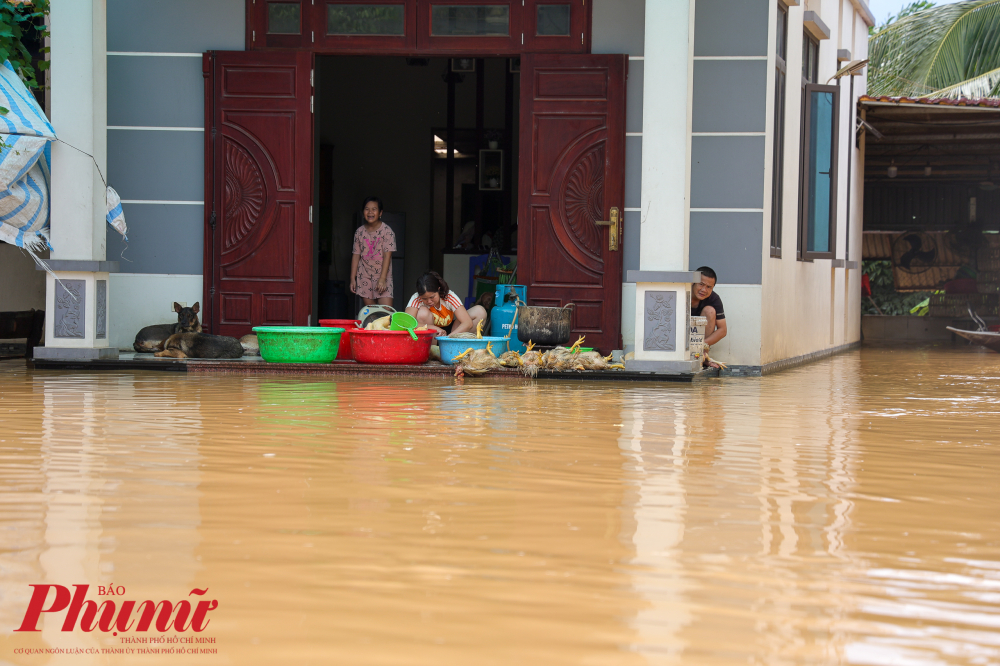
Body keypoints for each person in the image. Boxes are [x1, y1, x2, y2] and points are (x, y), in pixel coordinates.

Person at [405, 271, 487, 336]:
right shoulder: (416, 298)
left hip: (451, 332)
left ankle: (456, 346)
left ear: (438, 289)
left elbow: (467, 323)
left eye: (432, 297)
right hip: (431, 336)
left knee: (480, 311)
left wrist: (449, 338)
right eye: (424, 299)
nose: (429, 301)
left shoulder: (448, 296)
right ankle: (431, 350)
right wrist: (433, 328)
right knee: (423, 312)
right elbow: (406, 323)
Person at [350, 197, 396, 306]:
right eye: (367, 209)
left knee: (386, 313)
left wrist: (382, 279)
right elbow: (356, 256)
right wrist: (352, 278)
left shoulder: (387, 232)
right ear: (363, 212)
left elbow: (387, 256)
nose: (370, 212)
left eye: (374, 209)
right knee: (372, 314)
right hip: (364, 276)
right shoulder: (359, 232)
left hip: (383, 276)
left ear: (380, 212)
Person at [692, 265, 727, 348]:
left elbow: (722, 330)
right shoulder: (682, 293)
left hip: (700, 340)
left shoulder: (714, 299)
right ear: (693, 282)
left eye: (708, 287)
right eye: (701, 284)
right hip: (681, 335)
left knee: (710, 310)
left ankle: (702, 353)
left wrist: (701, 345)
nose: (704, 290)